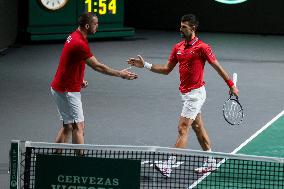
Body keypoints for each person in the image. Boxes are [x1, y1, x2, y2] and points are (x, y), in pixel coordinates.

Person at [127, 14, 238, 176]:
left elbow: (217, 67)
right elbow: (166, 70)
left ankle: (169, 165)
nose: (180, 29)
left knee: (182, 128)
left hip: (196, 94)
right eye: (180, 26)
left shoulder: (202, 47)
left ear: (193, 28)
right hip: (186, 94)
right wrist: (145, 65)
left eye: (184, 27)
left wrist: (231, 85)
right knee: (198, 127)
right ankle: (210, 161)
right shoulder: (177, 47)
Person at [50, 13, 138, 153]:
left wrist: (79, 79)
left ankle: (54, 160)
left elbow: (69, 62)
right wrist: (120, 74)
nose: (97, 26)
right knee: (79, 126)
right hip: (68, 90)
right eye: (95, 24)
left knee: (68, 126)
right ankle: (81, 164)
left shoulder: (74, 35)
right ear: (87, 25)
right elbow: (98, 66)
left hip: (60, 86)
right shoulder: (80, 43)